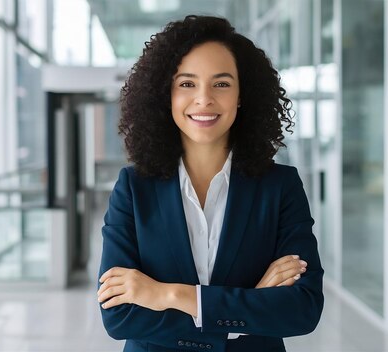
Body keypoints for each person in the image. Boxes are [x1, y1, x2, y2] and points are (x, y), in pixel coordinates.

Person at [97, 15, 323, 352]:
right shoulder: (133, 188)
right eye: (187, 84)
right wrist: (249, 308)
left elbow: (302, 309)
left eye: (221, 83)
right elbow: (119, 317)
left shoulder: (280, 186)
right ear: (166, 94)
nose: (204, 99)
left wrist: (168, 295)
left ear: (242, 94)